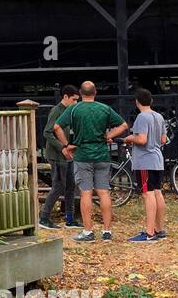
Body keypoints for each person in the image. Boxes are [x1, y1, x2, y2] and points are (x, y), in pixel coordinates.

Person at [54, 80, 127, 242]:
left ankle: (88, 232)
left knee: (85, 192)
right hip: (102, 154)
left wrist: (66, 145)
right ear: (95, 93)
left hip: (82, 155)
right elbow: (123, 125)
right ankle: (107, 231)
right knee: (104, 192)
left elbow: (57, 127)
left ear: (80, 93)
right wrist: (109, 135)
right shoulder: (104, 108)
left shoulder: (74, 109)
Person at [125, 88, 169, 242]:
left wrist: (130, 138)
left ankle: (149, 233)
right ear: (151, 101)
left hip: (144, 160)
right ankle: (159, 229)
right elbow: (164, 139)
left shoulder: (142, 117)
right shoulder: (158, 116)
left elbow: (142, 139)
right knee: (157, 192)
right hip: (157, 159)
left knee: (147, 193)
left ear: (137, 102)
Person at [39, 85, 81, 230]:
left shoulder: (68, 111)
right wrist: (61, 147)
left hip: (66, 154)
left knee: (70, 186)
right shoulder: (56, 110)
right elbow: (47, 132)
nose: (76, 103)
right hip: (57, 155)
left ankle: (70, 218)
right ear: (65, 97)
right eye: (74, 99)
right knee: (59, 186)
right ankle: (44, 217)